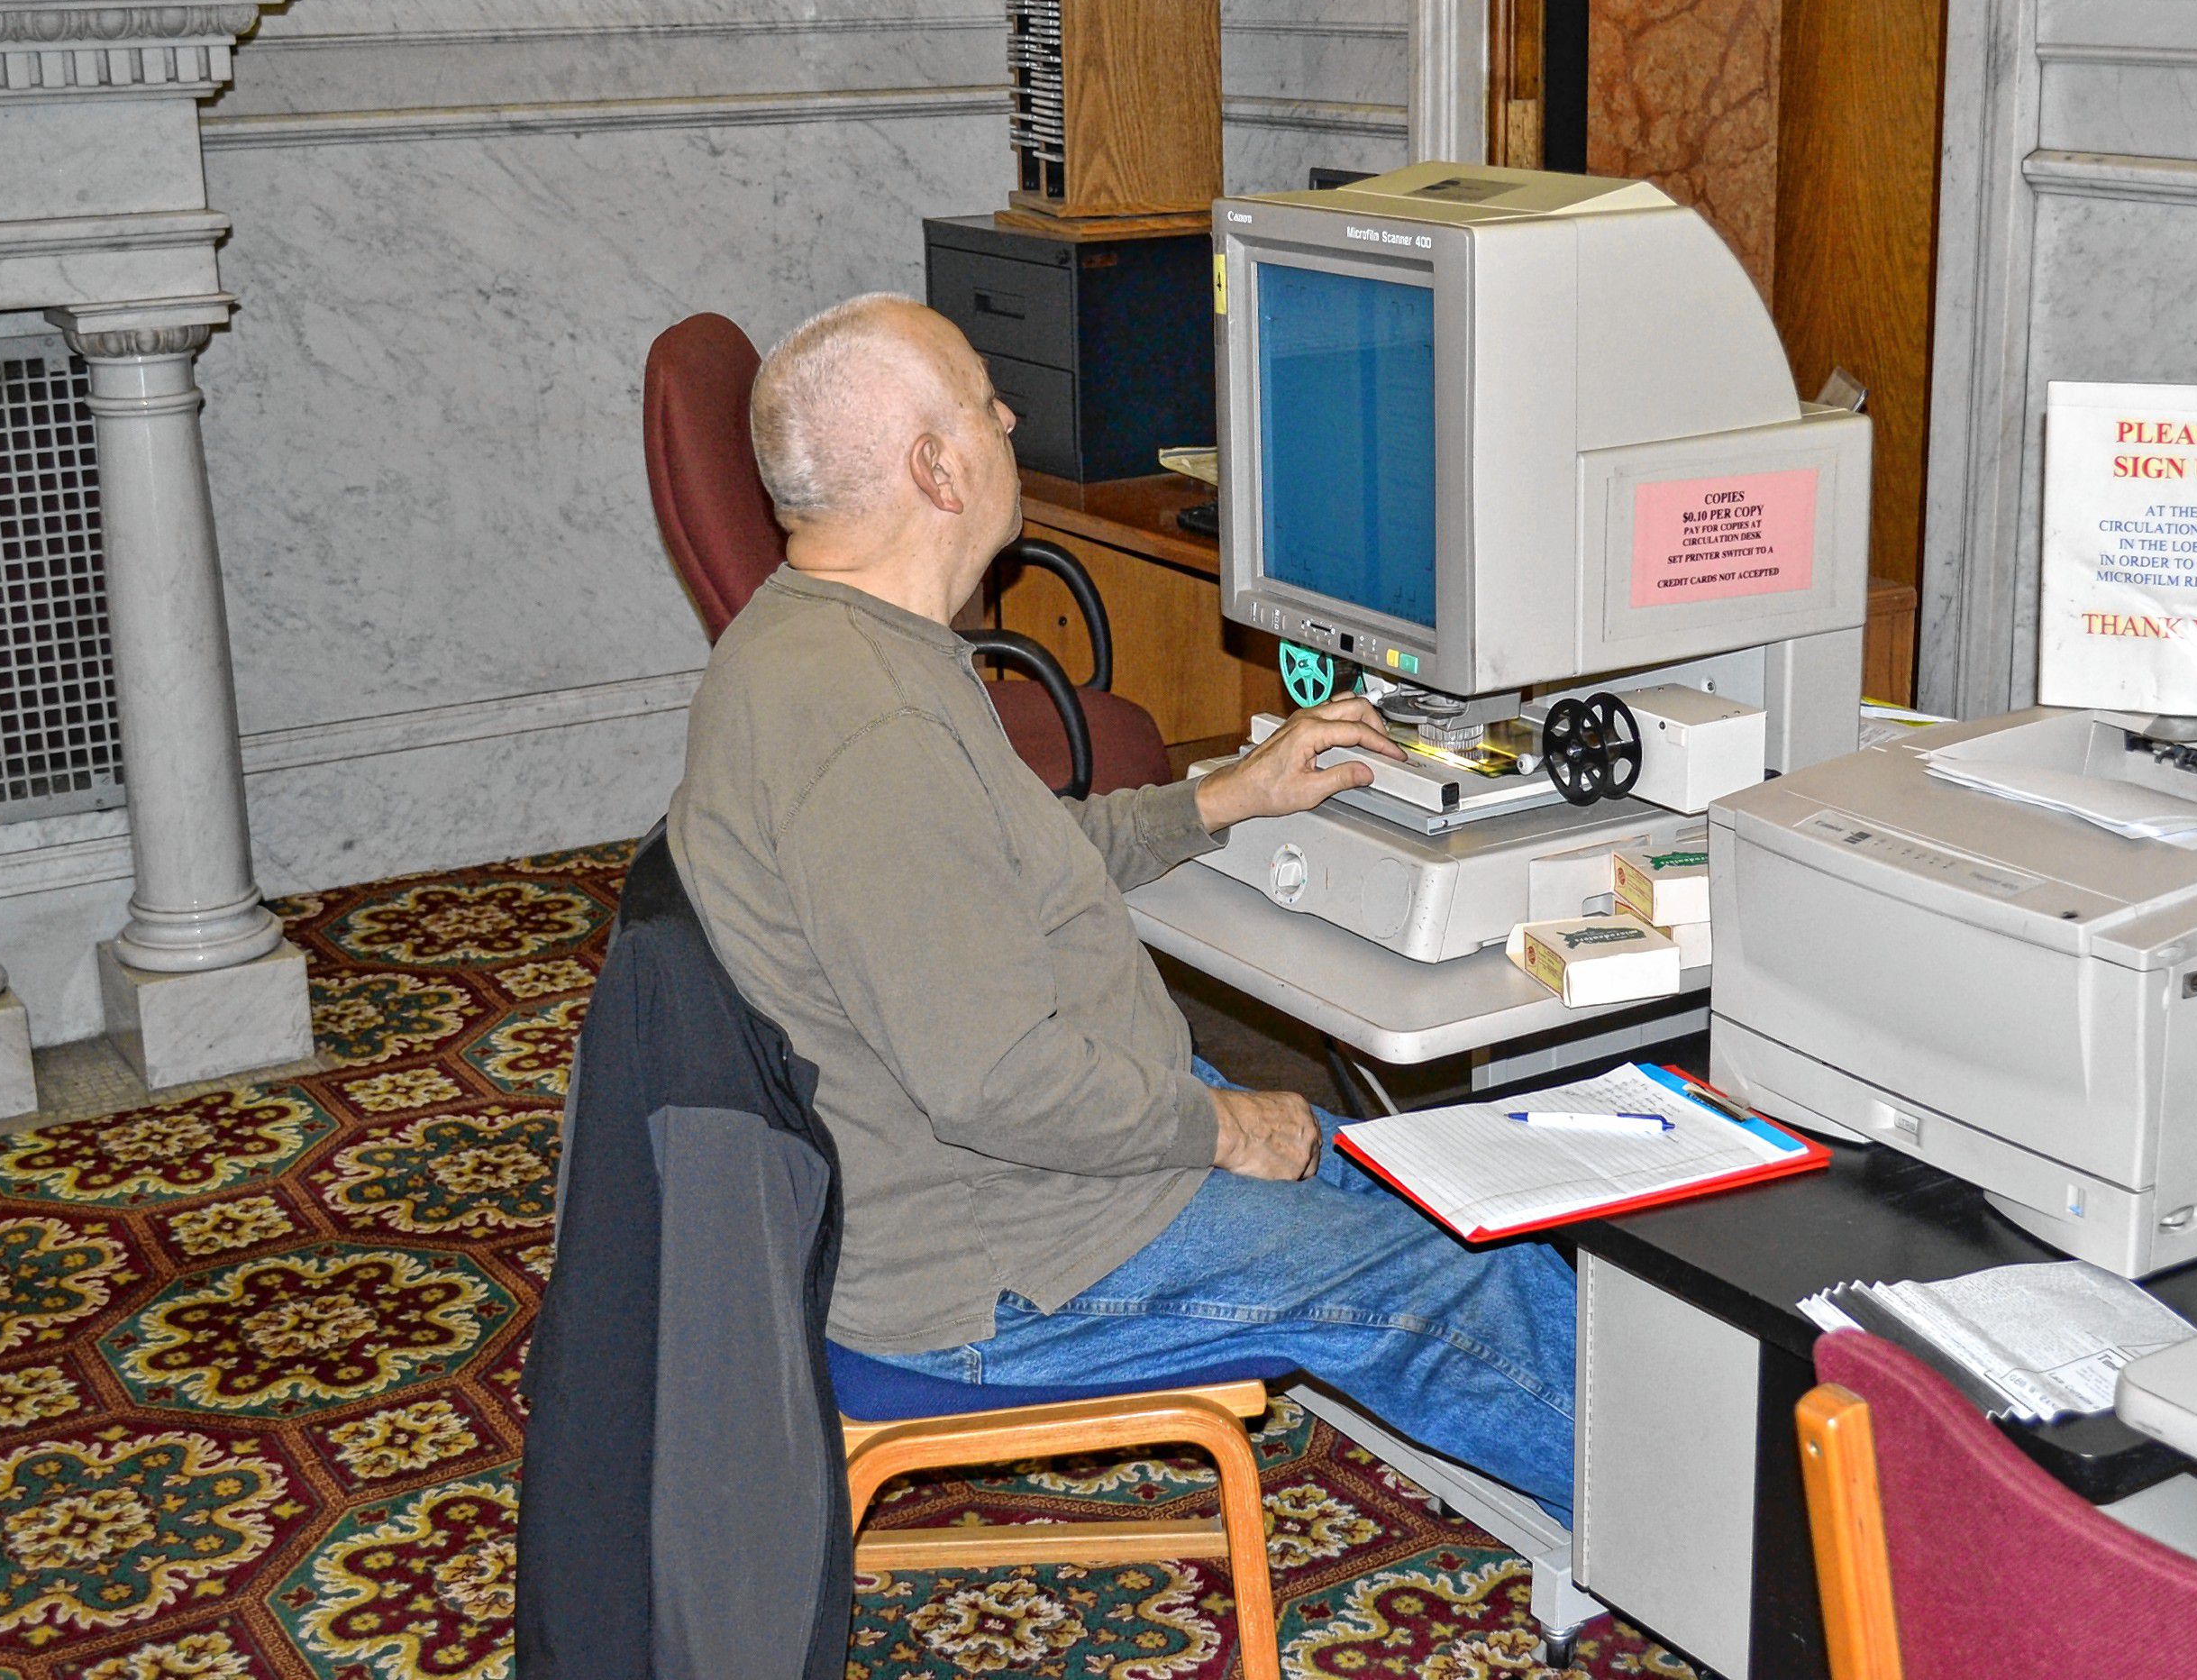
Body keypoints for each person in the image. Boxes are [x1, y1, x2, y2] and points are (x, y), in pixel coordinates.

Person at [665, 293, 1577, 1518]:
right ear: (937, 469)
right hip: (1005, 1267)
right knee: (1451, 1287)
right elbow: (993, 1080)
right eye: (987, 402)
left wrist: (1218, 802)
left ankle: (1649, 1469)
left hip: (1015, 1192)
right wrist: (1222, 1132)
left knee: (1422, 1185)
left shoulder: (821, 646)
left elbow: (1000, 862)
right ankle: (1765, 1553)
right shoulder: (871, 726)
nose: (1008, 418)